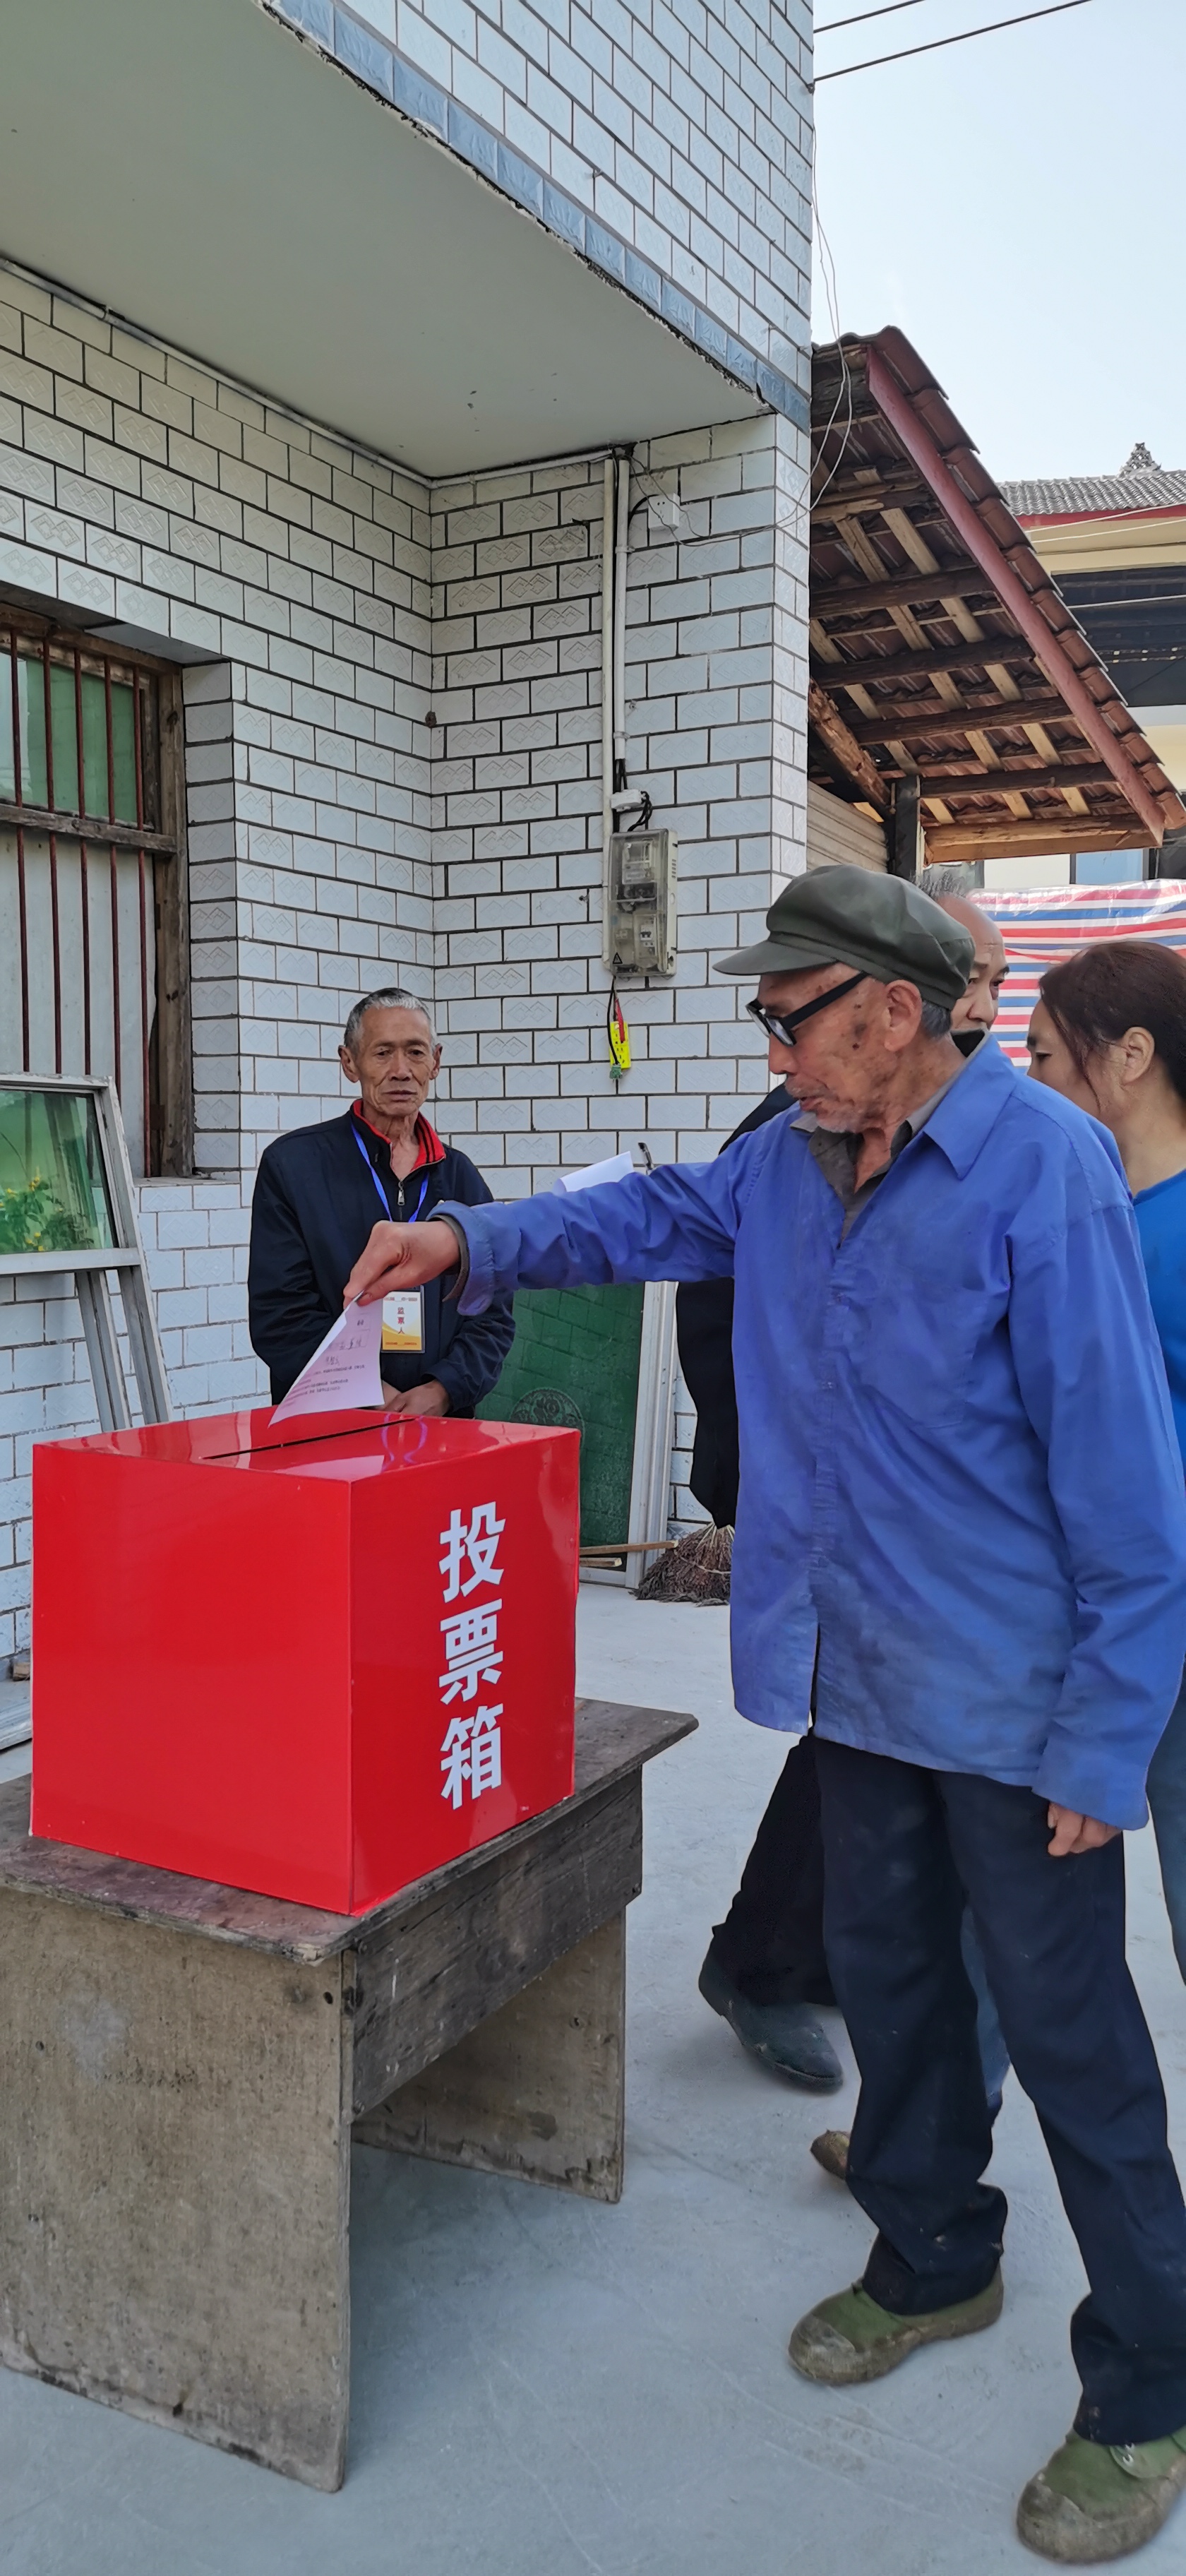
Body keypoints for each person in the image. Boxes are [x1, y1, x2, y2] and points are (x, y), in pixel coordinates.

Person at [341, 866, 1186, 2563]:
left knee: (1072, 2036)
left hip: (1010, 1703)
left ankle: (1151, 2380)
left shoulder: (1045, 1172)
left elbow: (1126, 1487)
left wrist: (1104, 1740)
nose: (773, 1051)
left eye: (790, 1019)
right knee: (897, 1993)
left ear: (895, 1010)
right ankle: (933, 2256)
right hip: (854, 1685)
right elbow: (642, 1217)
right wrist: (465, 1237)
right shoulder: (789, 1161)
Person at [692, 878, 1010, 2104]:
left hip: (940, 1569)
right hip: (824, 1527)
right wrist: (764, 1476)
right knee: (849, 1752)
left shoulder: (1023, 1157)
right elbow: (707, 1297)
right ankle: (762, 1962)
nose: (981, 1006)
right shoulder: (790, 1141)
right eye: (972, 980)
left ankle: (837, 1993)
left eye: (988, 984)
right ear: (900, 1002)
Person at [1028, 938, 1186, 1981]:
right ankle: (947, 2097)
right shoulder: (1076, 1212)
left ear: (1129, 1055)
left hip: (1162, 1610)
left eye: (1045, 1054)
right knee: (1017, 1906)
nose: (1031, 1079)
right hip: (1071, 1612)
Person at [248, 986, 514, 1412]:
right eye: (383, 1053)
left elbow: (493, 1309)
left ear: (436, 1062)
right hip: (330, 1424)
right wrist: (369, 1393)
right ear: (349, 1063)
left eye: (415, 1052)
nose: (401, 1071)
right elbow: (281, 1316)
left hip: (440, 1425)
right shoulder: (294, 1167)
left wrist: (443, 1390)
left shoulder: (460, 1177)